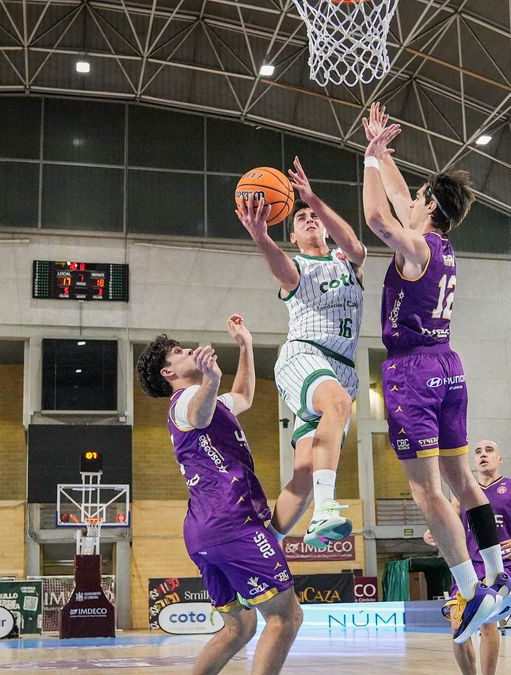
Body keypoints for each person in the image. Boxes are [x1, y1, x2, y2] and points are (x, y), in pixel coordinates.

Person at [360, 101, 508, 643]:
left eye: (418, 197)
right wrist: (378, 149)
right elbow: (401, 200)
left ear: (428, 208)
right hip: (449, 362)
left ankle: (473, 592)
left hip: (413, 370)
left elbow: (379, 216)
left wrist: (370, 163)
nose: (411, 199)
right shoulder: (441, 244)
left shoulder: (416, 245)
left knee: (427, 491)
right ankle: (497, 577)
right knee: (463, 481)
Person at [136, 303, 302, 675]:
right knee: (286, 618)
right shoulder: (183, 403)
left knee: (239, 627)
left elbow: (241, 397)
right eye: (177, 353)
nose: (185, 350)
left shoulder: (211, 400)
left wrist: (245, 346)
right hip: (231, 521)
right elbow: (199, 415)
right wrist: (210, 379)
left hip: (203, 530)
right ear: (168, 372)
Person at [240, 156, 367, 550]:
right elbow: (280, 270)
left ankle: (268, 545)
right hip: (304, 356)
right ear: (292, 236)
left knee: (305, 472)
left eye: (313, 217)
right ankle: (326, 509)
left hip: (343, 368)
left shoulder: (347, 261)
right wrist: (261, 236)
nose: (309, 219)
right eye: (300, 218)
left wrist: (313, 198)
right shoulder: (295, 265)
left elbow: (356, 245)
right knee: (338, 404)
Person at [424, 439, 511, 675]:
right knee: (457, 624)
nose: (483, 455)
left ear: (499, 458)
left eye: (489, 450)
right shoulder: (461, 494)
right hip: (467, 564)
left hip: (501, 562)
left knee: (488, 619)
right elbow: (450, 525)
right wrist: (435, 533)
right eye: (478, 451)